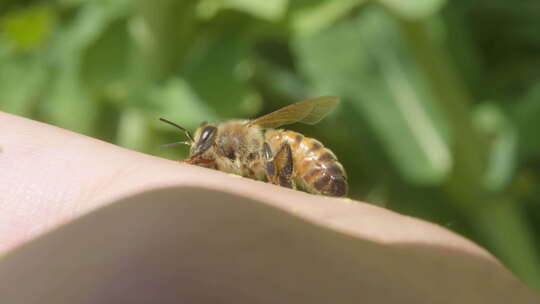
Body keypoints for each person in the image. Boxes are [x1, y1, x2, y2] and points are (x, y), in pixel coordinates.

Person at [0, 111, 537, 303]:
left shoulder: (247, 144)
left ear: (220, 141)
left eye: (202, 145)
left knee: (283, 157)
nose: (198, 151)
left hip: (303, 163)